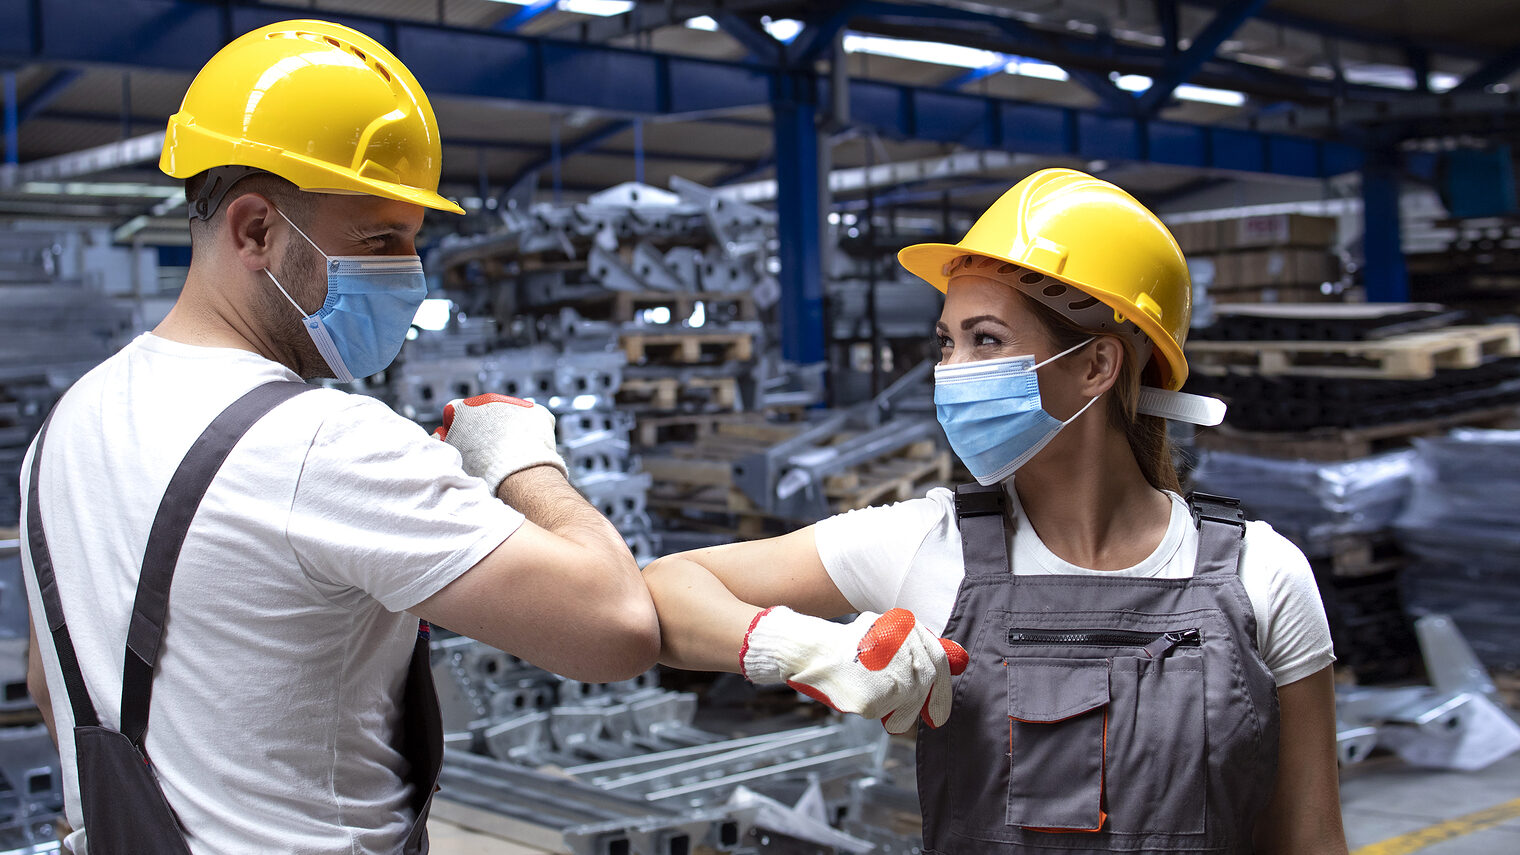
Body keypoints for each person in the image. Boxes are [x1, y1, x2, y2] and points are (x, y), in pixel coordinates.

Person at [20, 20, 658, 854]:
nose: (408, 275)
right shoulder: (320, 442)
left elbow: (49, 686)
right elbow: (615, 626)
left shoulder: (72, 420)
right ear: (256, 230)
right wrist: (520, 460)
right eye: (379, 241)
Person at [645, 168, 1348, 854]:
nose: (951, 372)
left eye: (986, 340)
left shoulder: (1262, 576)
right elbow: (664, 590)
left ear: (1098, 366)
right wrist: (810, 649)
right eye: (946, 342)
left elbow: (1310, 837)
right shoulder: (925, 544)